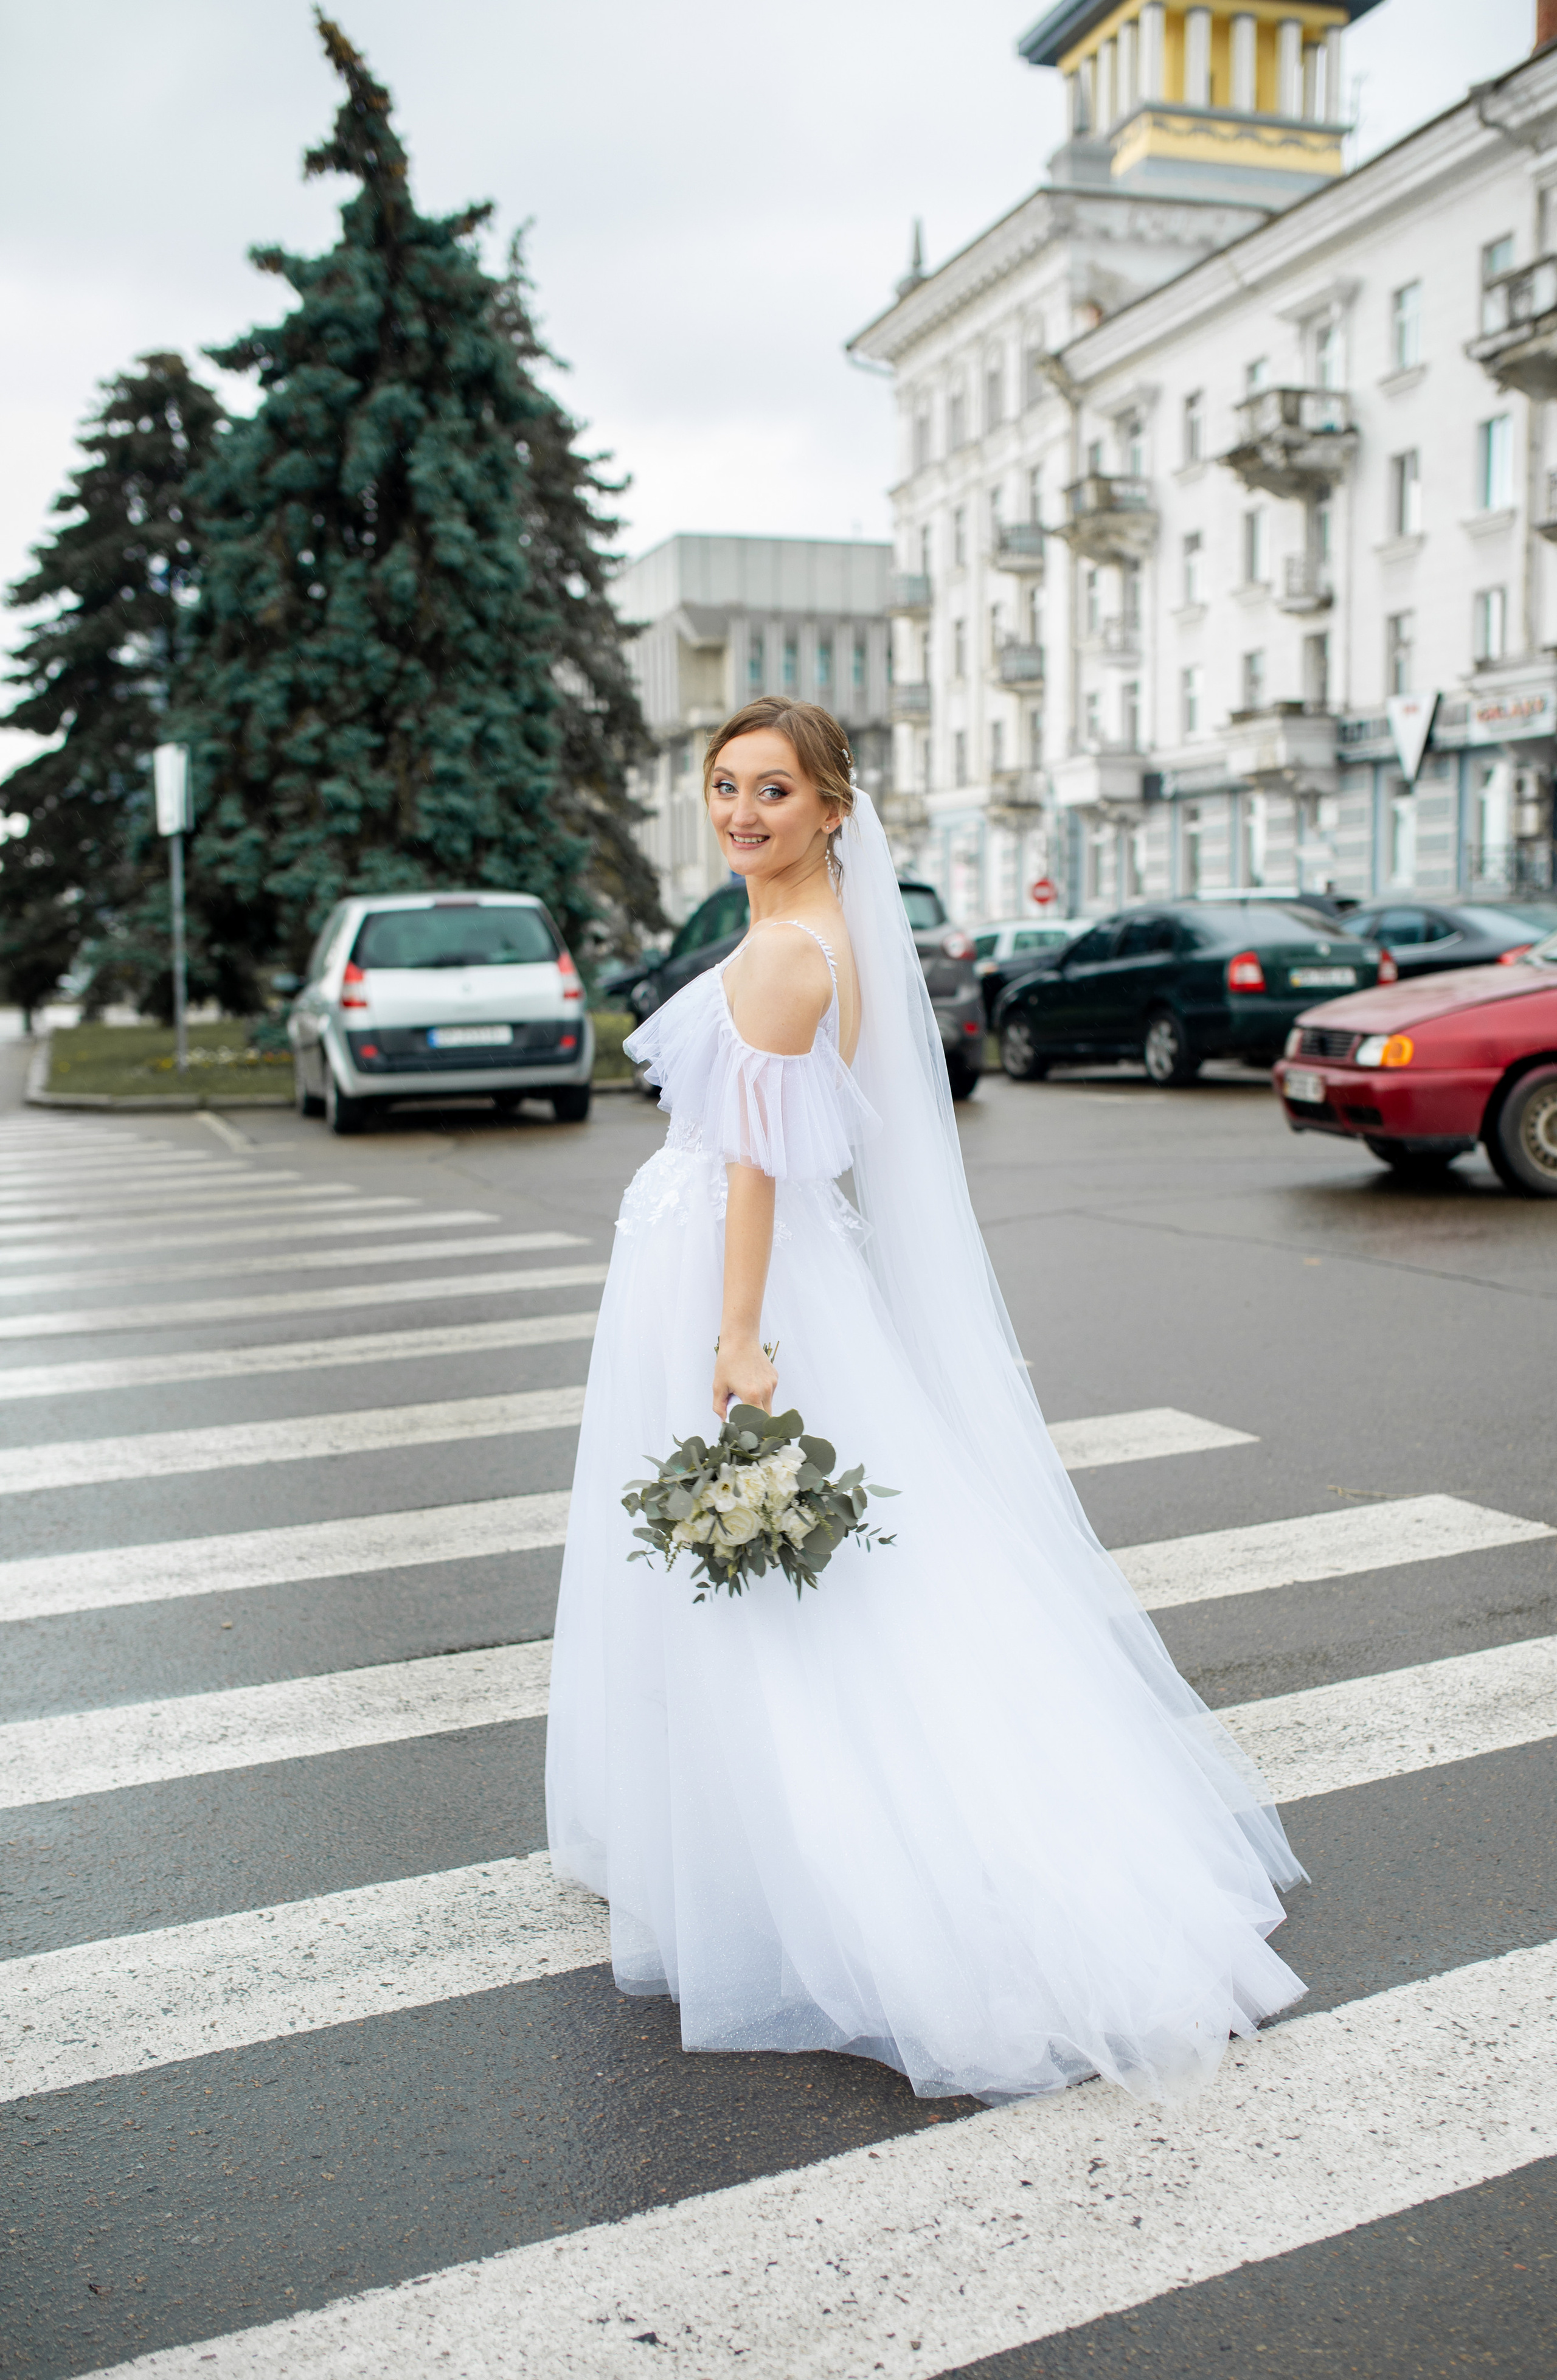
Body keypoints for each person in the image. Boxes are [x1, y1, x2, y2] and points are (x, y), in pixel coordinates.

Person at [546, 697, 1305, 2105]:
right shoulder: (828, 926)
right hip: (763, 1269)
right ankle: (737, 1830)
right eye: (724, 786)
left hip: (734, 1278)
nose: (741, 812)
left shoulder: (786, 948)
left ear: (833, 807)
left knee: (783, 1594)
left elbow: (759, 1160)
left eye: (773, 790)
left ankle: (822, 1862)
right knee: (823, 1580)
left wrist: (736, 1335)